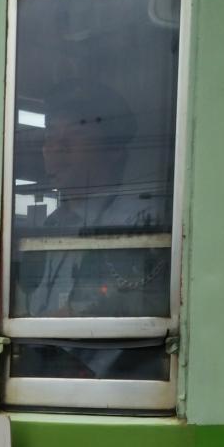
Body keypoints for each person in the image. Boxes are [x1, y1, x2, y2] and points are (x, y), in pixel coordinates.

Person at [15, 81, 171, 320]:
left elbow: (126, 305)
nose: (56, 148)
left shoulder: (140, 220)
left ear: (114, 151)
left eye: (76, 134)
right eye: (50, 135)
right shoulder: (52, 223)